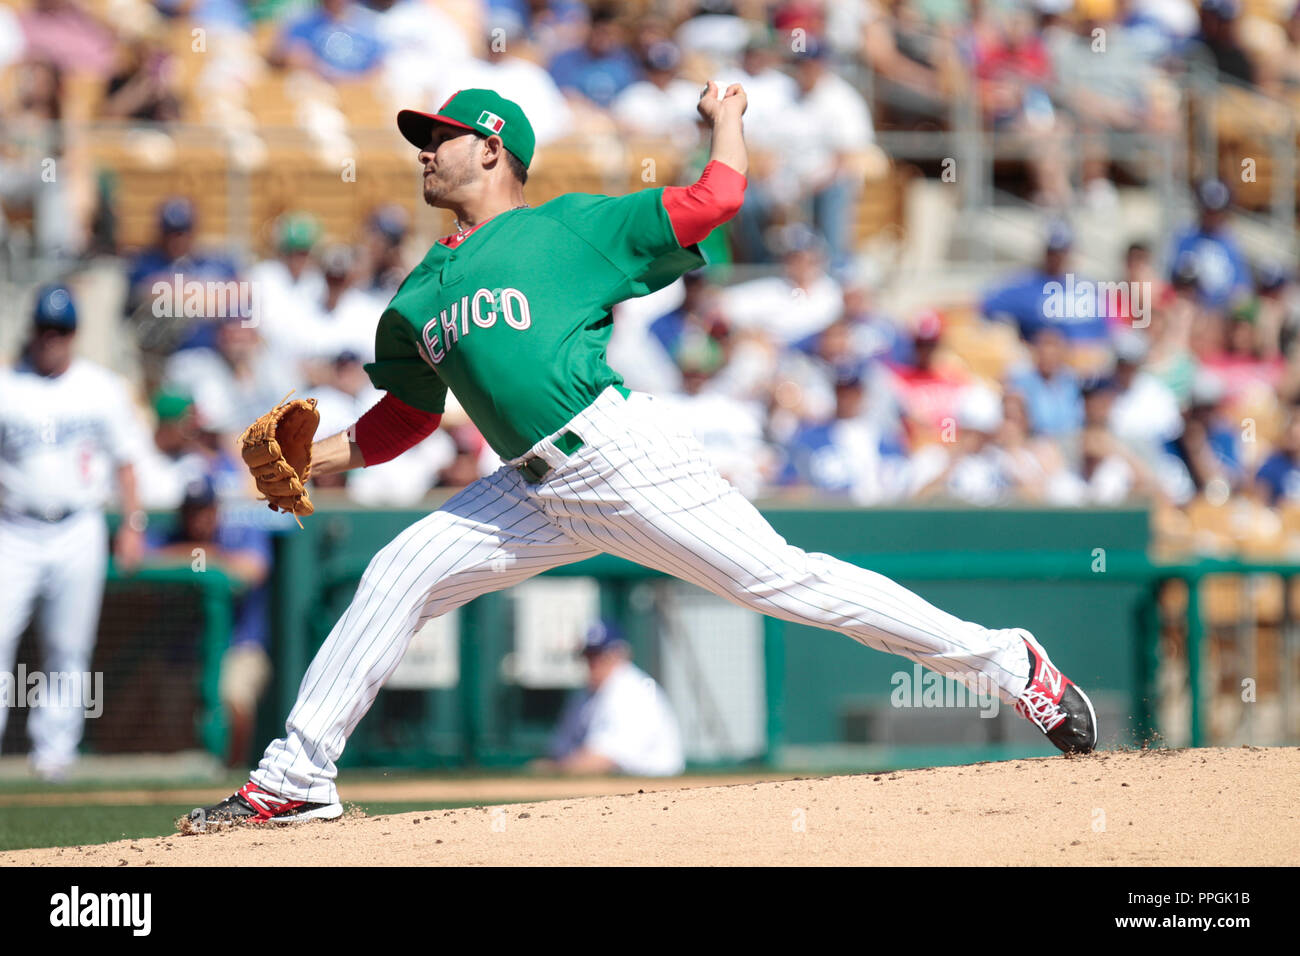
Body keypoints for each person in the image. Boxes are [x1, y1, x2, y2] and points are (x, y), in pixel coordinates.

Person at [190, 84, 1097, 829]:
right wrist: (325, 456)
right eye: (422, 139)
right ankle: (298, 775)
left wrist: (728, 123)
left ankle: (1010, 664)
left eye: (442, 137)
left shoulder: (571, 229)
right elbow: (411, 416)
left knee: (786, 584)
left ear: (495, 149)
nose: (425, 150)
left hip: (618, 456)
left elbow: (719, 200)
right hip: (528, 489)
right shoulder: (419, 293)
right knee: (396, 573)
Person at [0, 285, 146, 780]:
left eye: (61, 330)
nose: (52, 338)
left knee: (69, 646)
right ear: (32, 329)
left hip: (78, 526)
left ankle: (54, 755)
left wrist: (131, 525)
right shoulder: (7, 385)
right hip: (14, 527)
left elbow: (127, 464)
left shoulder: (100, 387)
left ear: (75, 334)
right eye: (45, 328)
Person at [145, 477, 273, 768]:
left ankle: (232, 771)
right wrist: (202, 556)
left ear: (216, 510)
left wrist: (206, 558)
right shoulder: (170, 536)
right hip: (183, 653)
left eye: (204, 510)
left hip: (239, 648)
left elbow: (253, 570)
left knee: (233, 700)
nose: (198, 519)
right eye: (192, 511)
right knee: (169, 712)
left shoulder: (240, 533)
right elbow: (139, 561)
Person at [531, 621, 684, 777]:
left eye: (600, 656)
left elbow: (603, 759)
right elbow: (560, 749)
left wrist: (554, 770)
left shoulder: (633, 691)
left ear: (620, 654)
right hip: (617, 784)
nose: (593, 663)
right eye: (588, 655)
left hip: (656, 787)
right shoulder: (586, 693)